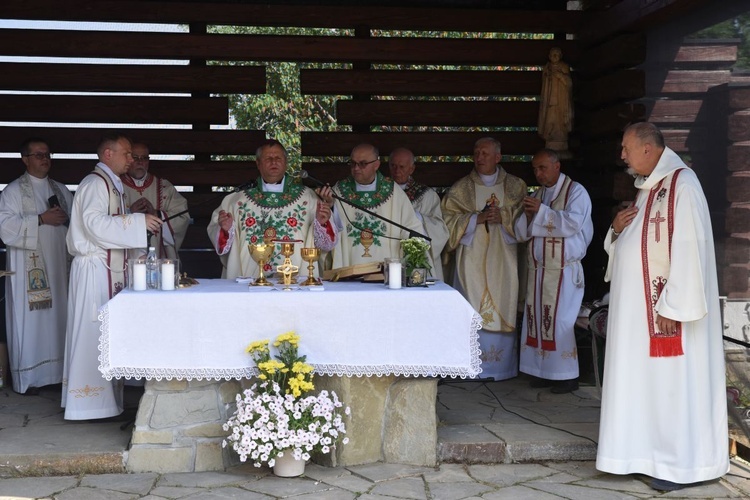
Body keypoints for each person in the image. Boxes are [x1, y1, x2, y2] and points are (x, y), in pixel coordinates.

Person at [596, 122, 728, 491]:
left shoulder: (682, 186)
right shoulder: (650, 187)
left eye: (626, 147)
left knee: (673, 387)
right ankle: (646, 454)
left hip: (666, 315)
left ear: (648, 149)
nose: (621, 155)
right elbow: (636, 246)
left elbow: (690, 247)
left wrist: (672, 305)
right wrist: (617, 231)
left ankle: (681, 464)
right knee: (648, 387)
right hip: (639, 318)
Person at [62, 133, 162, 420]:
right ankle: (87, 404)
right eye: (127, 153)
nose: (131, 159)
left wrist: (133, 252)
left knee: (103, 333)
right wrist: (136, 221)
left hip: (106, 268)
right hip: (94, 270)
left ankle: (104, 403)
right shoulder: (95, 183)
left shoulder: (111, 184)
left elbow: (110, 227)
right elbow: (94, 224)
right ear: (108, 153)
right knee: (92, 332)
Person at [441, 137, 527, 380]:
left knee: (502, 303)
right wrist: (474, 219)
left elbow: (526, 219)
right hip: (471, 262)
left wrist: (505, 218)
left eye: (485, 153)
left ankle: (500, 370)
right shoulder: (461, 188)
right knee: (472, 308)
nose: (479, 157)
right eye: (476, 152)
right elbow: (446, 220)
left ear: (498, 157)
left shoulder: (516, 186)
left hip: (504, 260)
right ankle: (470, 369)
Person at [514, 148, 593, 393]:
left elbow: (572, 224)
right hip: (539, 271)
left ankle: (567, 376)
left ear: (557, 166)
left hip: (562, 272)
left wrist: (541, 212)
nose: (538, 173)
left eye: (543, 168)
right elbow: (521, 231)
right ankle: (544, 372)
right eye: (535, 169)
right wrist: (529, 218)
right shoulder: (538, 194)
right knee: (537, 320)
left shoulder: (575, 191)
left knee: (560, 321)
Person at [0, 138, 73, 395]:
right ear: (25, 159)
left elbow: (77, 226)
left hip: (59, 269)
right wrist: (41, 219)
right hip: (28, 273)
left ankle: (59, 375)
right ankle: (31, 377)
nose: (45, 158)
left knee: (60, 318)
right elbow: (5, 228)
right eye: (38, 154)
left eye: (47, 154)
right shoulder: (12, 192)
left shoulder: (62, 191)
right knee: (31, 322)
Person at [207, 139, 336, 280]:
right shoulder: (236, 201)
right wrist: (226, 231)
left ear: (286, 162)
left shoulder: (308, 198)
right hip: (249, 280)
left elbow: (326, 245)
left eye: (278, 158)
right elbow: (221, 243)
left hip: (295, 280)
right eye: (268, 158)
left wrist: (322, 223)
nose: (274, 162)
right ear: (258, 163)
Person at [331, 143, 423, 269]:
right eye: (353, 163)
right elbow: (331, 231)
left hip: (385, 273)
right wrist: (330, 206)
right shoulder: (338, 191)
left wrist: (413, 249)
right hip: (350, 268)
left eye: (362, 164)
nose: (356, 168)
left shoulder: (394, 192)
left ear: (376, 165)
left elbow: (411, 227)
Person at [388, 147, 449, 280]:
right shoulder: (381, 195)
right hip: (390, 255)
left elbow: (441, 230)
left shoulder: (427, 196)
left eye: (402, 167)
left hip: (417, 256)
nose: (397, 171)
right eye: (393, 166)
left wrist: (418, 217)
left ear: (412, 169)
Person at [121, 142, 190, 259]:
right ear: (128, 159)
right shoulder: (116, 187)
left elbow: (183, 217)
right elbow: (104, 221)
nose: (140, 162)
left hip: (159, 257)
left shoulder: (165, 188)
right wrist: (129, 212)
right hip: (127, 258)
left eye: (144, 158)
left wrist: (157, 214)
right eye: (135, 157)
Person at [538, 47, 573, 155]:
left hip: (561, 100)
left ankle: (561, 141)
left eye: (557, 54)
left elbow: (569, 83)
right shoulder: (547, 68)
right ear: (549, 56)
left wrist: (560, 76)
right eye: (553, 55)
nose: (555, 57)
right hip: (549, 100)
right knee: (550, 120)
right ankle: (550, 138)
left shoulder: (564, 67)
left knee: (560, 121)